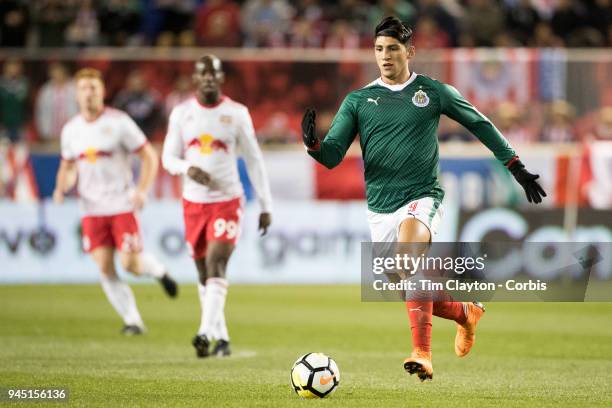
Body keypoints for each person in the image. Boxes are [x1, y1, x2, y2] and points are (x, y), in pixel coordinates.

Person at [302, 17, 546, 381]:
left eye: (393, 49)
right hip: (379, 207)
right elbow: (333, 155)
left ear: (409, 51)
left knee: (408, 263)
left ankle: (423, 353)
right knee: (406, 286)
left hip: (421, 196)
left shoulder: (433, 92)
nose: (385, 56)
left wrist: (516, 166)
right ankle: (466, 314)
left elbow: (481, 124)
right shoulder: (358, 101)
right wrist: (314, 145)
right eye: (379, 49)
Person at [162, 55, 272, 358]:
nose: (209, 78)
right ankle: (221, 338)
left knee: (216, 263)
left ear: (221, 78)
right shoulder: (181, 113)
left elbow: (254, 158)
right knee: (203, 274)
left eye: (214, 74)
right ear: (195, 79)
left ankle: (203, 332)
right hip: (193, 203)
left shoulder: (236, 113)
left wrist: (265, 203)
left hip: (227, 200)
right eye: (203, 74)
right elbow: (167, 158)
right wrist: (188, 168)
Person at [53, 68, 178, 336]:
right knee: (104, 267)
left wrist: (142, 190)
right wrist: (61, 187)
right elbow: (68, 165)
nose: (89, 93)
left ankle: (158, 270)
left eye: (94, 88)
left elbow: (148, 157)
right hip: (91, 209)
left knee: (130, 265)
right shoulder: (71, 130)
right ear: (77, 94)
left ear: (102, 92)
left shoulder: (119, 122)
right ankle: (133, 320)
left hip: (121, 204)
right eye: (84, 88)